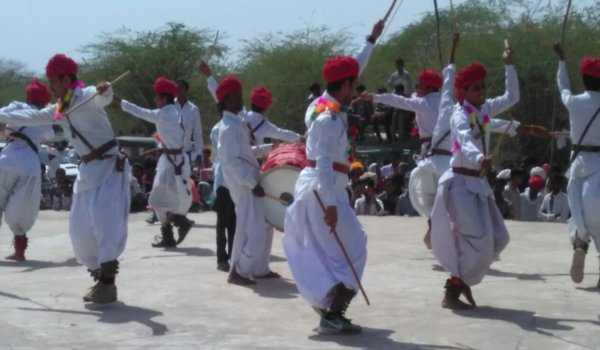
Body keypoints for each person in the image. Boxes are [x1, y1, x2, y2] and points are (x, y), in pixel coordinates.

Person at [0, 54, 130, 304]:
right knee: (80, 232)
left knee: (106, 225)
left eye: (54, 81)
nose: (51, 87)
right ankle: (99, 277)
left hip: (109, 168)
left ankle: (107, 284)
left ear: (66, 78)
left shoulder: (88, 96)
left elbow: (104, 96)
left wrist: (106, 89)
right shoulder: (60, 108)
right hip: (87, 172)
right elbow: (28, 118)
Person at [430, 43, 549, 310]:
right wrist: (478, 158)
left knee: (499, 239)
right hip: (460, 185)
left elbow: (512, 97)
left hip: (478, 184)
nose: (483, 91)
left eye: (483, 86)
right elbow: (463, 139)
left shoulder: (482, 111)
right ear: (464, 91)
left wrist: (508, 64)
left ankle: (459, 282)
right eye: (477, 88)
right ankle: (452, 289)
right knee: (481, 244)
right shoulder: (459, 115)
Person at [283, 19, 384, 334]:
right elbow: (325, 163)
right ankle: (332, 311)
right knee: (353, 247)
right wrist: (330, 204)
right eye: (354, 85)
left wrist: (371, 39)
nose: (357, 89)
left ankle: (330, 305)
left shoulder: (320, 105)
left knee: (342, 250)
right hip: (323, 191)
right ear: (344, 86)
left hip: (324, 189)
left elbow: (353, 66)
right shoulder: (327, 120)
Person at [116, 77, 193, 248]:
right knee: (164, 199)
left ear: (164, 98)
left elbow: (139, 111)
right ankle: (172, 231)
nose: (155, 100)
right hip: (176, 161)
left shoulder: (165, 114)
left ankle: (180, 223)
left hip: (172, 163)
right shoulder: (175, 112)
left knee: (158, 200)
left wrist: (117, 100)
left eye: (157, 97)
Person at [216, 75, 278, 285]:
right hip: (245, 187)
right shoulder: (228, 128)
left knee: (266, 226)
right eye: (235, 97)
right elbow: (232, 163)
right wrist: (253, 185)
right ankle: (239, 271)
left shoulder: (236, 124)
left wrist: (271, 149)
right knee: (252, 233)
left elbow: (244, 153)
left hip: (251, 182)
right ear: (226, 101)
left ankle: (260, 268)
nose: (240, 100)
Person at [407, 33, 460, 248]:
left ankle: (434, 224)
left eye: (419, 85)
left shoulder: (424, 103)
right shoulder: (455, 107)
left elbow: (400, 100)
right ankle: (440, 227)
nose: (417, 89)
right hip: (451, 158)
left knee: (420, 192)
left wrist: (375, 97)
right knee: (445, 198)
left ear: (428, 88)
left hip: (431, 157)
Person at [553, 44, 600, 286]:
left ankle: (580, 242)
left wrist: (562, 61)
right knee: (597, 214)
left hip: (576, 164)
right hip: (599, 164)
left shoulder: (574, 101)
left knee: (577, 211)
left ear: (583, 78)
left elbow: (563, 87)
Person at [0, 79, 54, 261]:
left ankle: (19, 251)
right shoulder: (45, 115)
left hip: (6, 161)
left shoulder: (15, 107)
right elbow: (50, 134)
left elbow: (1, 116)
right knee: (22, 210)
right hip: (28, 166)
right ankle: (19, 251)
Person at [175, 79, 204, 167]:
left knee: (185, 179)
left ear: (187, 91)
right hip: (172, 152)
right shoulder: (170, 106)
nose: (179, 91)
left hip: (186, 153)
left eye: (181, 89)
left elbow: (197, 133)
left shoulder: (193, 109)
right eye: (177, 88)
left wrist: (199, 152)